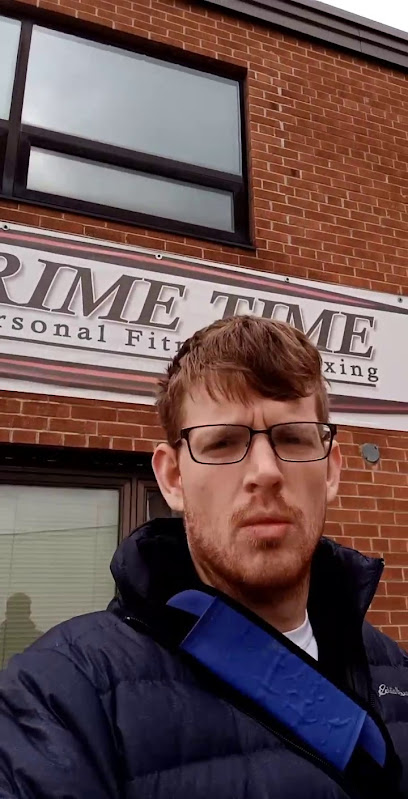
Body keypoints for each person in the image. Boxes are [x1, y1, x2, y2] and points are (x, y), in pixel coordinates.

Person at [0, 315, 407, 799]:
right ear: (173, 478)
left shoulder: (396, 671)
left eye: (293, 438)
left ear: (331, 470)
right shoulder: (63, 696)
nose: (265, 471)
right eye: (223, 443)